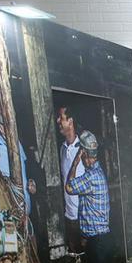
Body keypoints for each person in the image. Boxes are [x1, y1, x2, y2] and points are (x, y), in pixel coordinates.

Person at [63, 130, 113, 263]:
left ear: (83, 152)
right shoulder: (96, 173)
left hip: (97, 243)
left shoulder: (91, 177)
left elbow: (69, 187)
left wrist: (75, 162)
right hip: (100, 241)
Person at [56, 105, 85, 253]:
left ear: (71, 121)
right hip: (69, 214)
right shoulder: (62, 149)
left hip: (83, 216)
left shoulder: (84, 149)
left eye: (61, 118)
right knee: (75, 255)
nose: (58, 121)